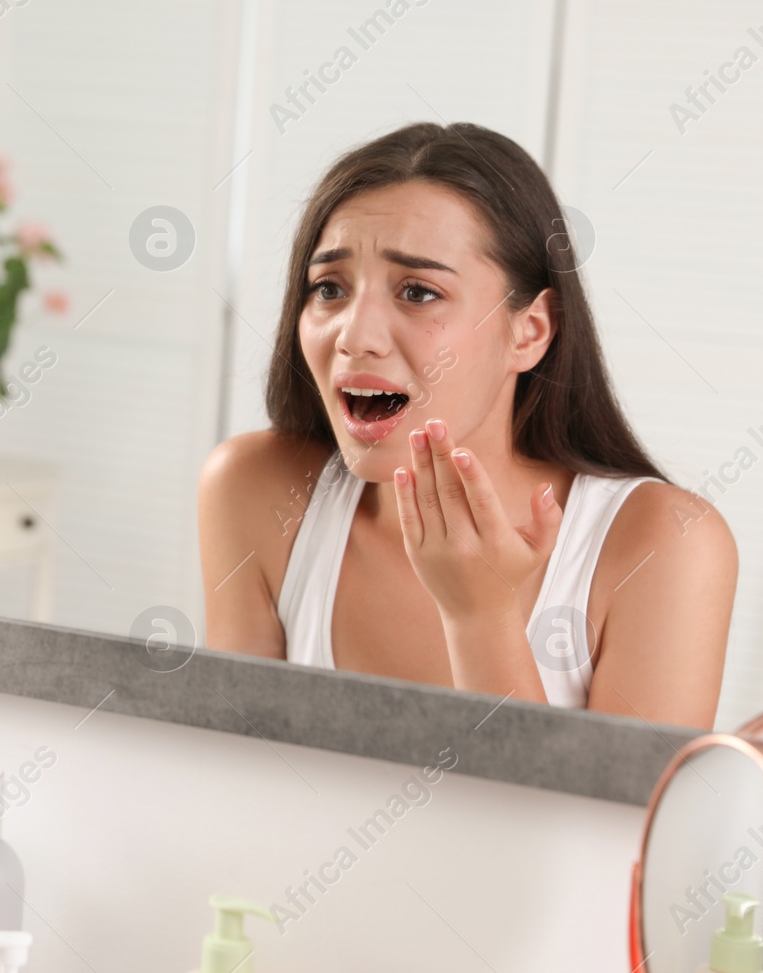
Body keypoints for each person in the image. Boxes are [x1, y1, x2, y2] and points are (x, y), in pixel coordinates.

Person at [198, 121, 734, 728]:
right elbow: (239, 783)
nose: (354, 336)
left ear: (529, 331)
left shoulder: (665, 545)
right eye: (329, 288)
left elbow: (597, 825)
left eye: (418, 292)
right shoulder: (255, 491)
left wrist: (482, 618)